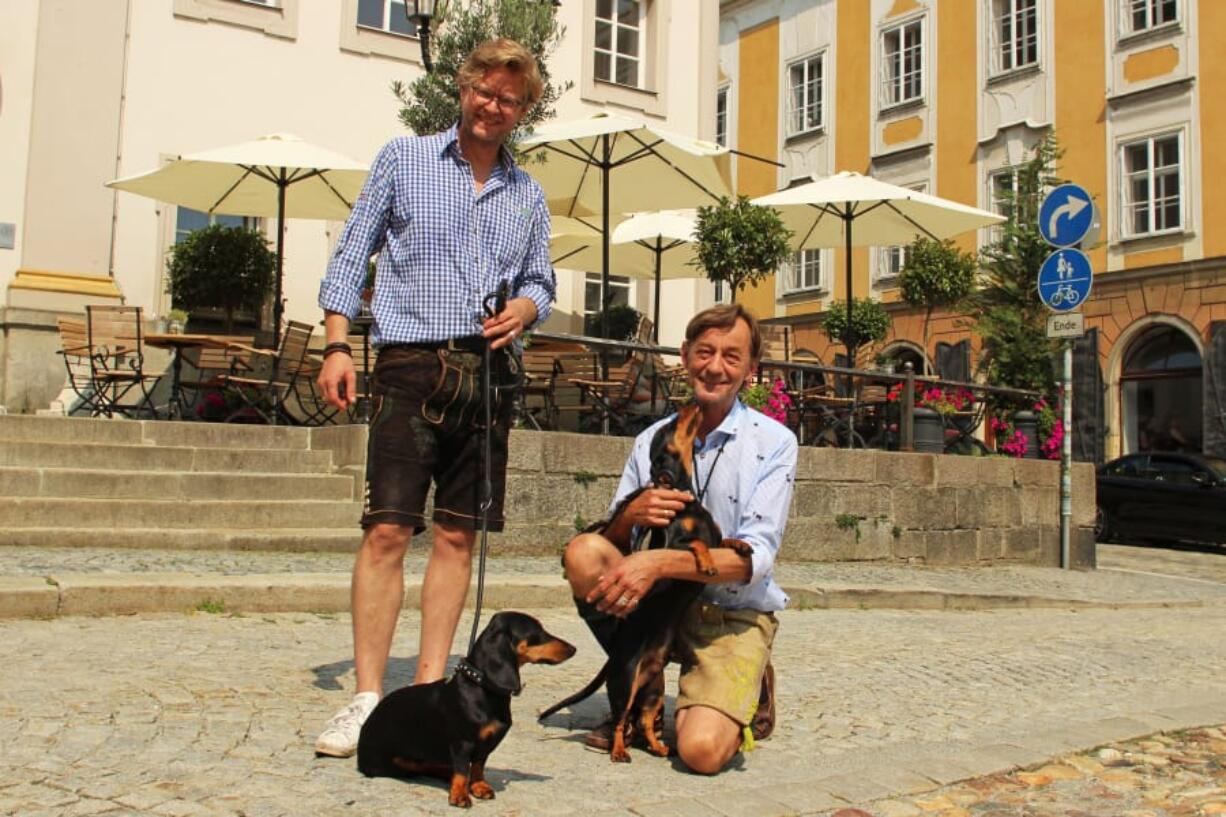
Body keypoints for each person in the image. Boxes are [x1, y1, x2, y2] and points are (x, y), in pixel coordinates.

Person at [312, 38, 555, 758]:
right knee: (387, 528)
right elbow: (352, 256)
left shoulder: (528, 193)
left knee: (457, 535)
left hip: (485, 375)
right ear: (464, 87)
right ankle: (365, 696)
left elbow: (542, 279)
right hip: (410, 365)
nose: (493, 104)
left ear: (524, 108)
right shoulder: (404, 159)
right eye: (484, 89)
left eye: (509, 98)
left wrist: (526, 308)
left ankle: (428, 688)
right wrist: (334, 344)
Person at [561, 304, 798, 775]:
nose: (715, 367)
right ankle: (644, 687)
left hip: (732, 613)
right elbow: (614, 543)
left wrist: (659, 563)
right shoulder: (652, 437)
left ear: (751, 369)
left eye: (732, 357)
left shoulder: (774, 442)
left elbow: (755, 560)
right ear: (686, 356)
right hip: (663, 608)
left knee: (702, 753)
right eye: (705, 352)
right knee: (584, 554)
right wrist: (629, 516)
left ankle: (750, 680)